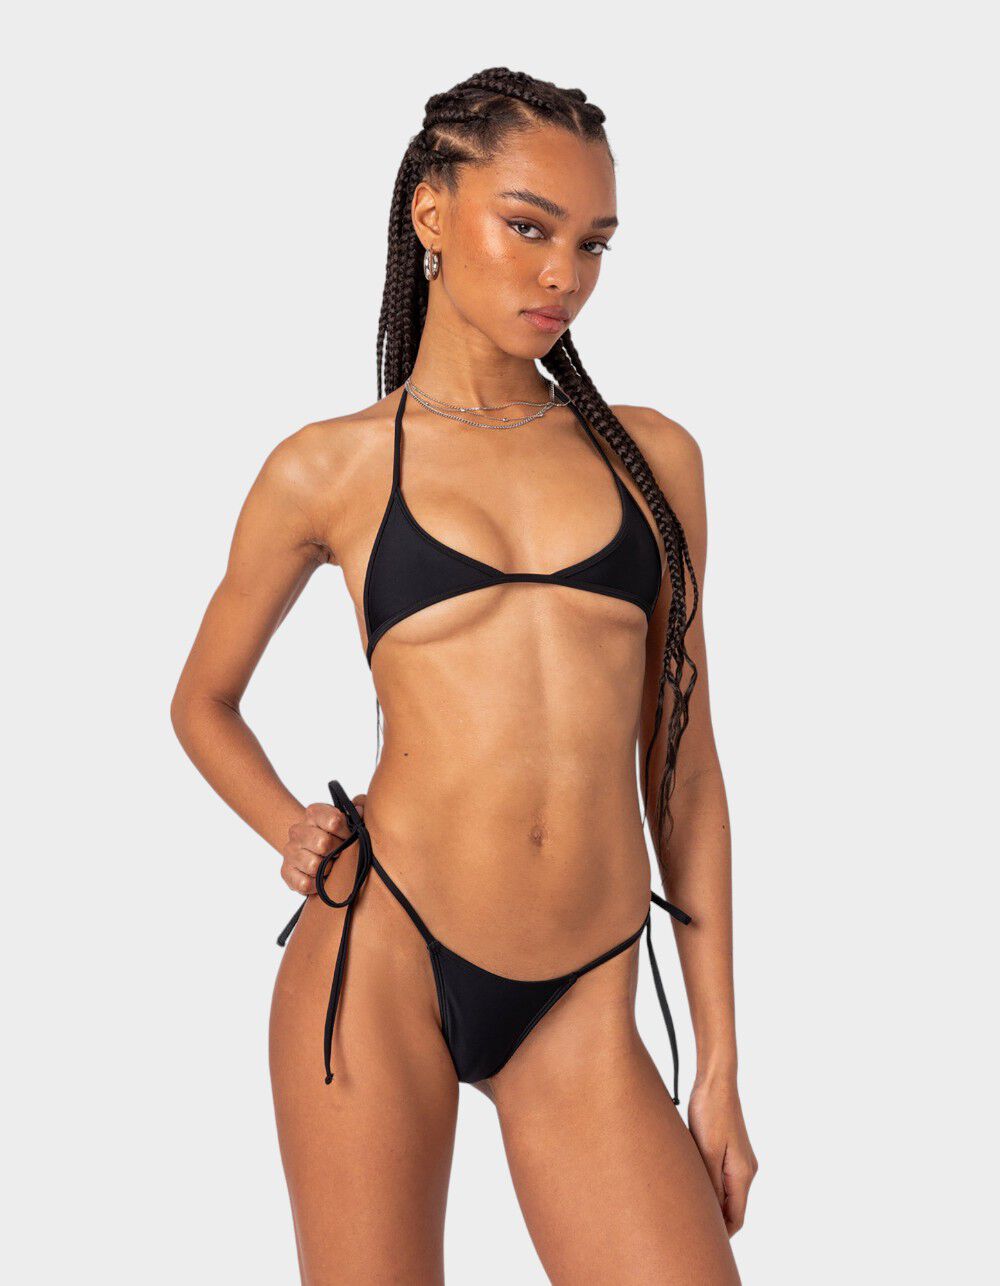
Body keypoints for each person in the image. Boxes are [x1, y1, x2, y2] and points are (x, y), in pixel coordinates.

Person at [171, 66, 756, 1285]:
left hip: (587, 994)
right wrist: (288, 825)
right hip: (381, 954)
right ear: (431, 211)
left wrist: (717, 1065)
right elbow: (202, 700)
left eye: (592, 242)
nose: (564, 275)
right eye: (529, 227)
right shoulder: (330, 467)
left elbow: (685, 776)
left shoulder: (652, 462)